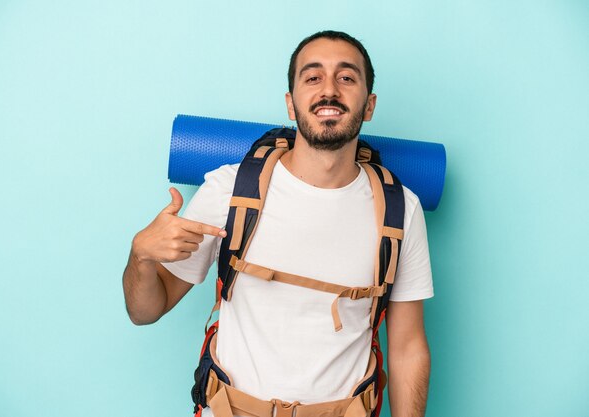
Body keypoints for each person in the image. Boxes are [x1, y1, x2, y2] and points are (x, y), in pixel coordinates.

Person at [123, 30, 433, 417]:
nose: (330, 90)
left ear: (368, 105)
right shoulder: (229, 189)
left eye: (347, 77)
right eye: (313, 77)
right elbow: (145, 311)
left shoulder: (401, 210)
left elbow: (407, 347)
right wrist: (141, 257)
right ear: (291, 103)